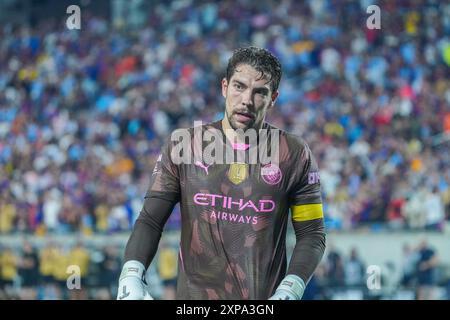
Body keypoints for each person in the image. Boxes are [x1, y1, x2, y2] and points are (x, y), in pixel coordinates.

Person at [117, 47, 326, 300]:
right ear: (224, 87)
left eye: (260, 92)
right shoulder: (185, 144)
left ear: (273, 98)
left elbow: (312, 234)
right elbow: (150, 220)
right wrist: (131, 275)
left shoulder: (293, 154)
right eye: (239, 86)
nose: (246, 100)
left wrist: (290, 289)